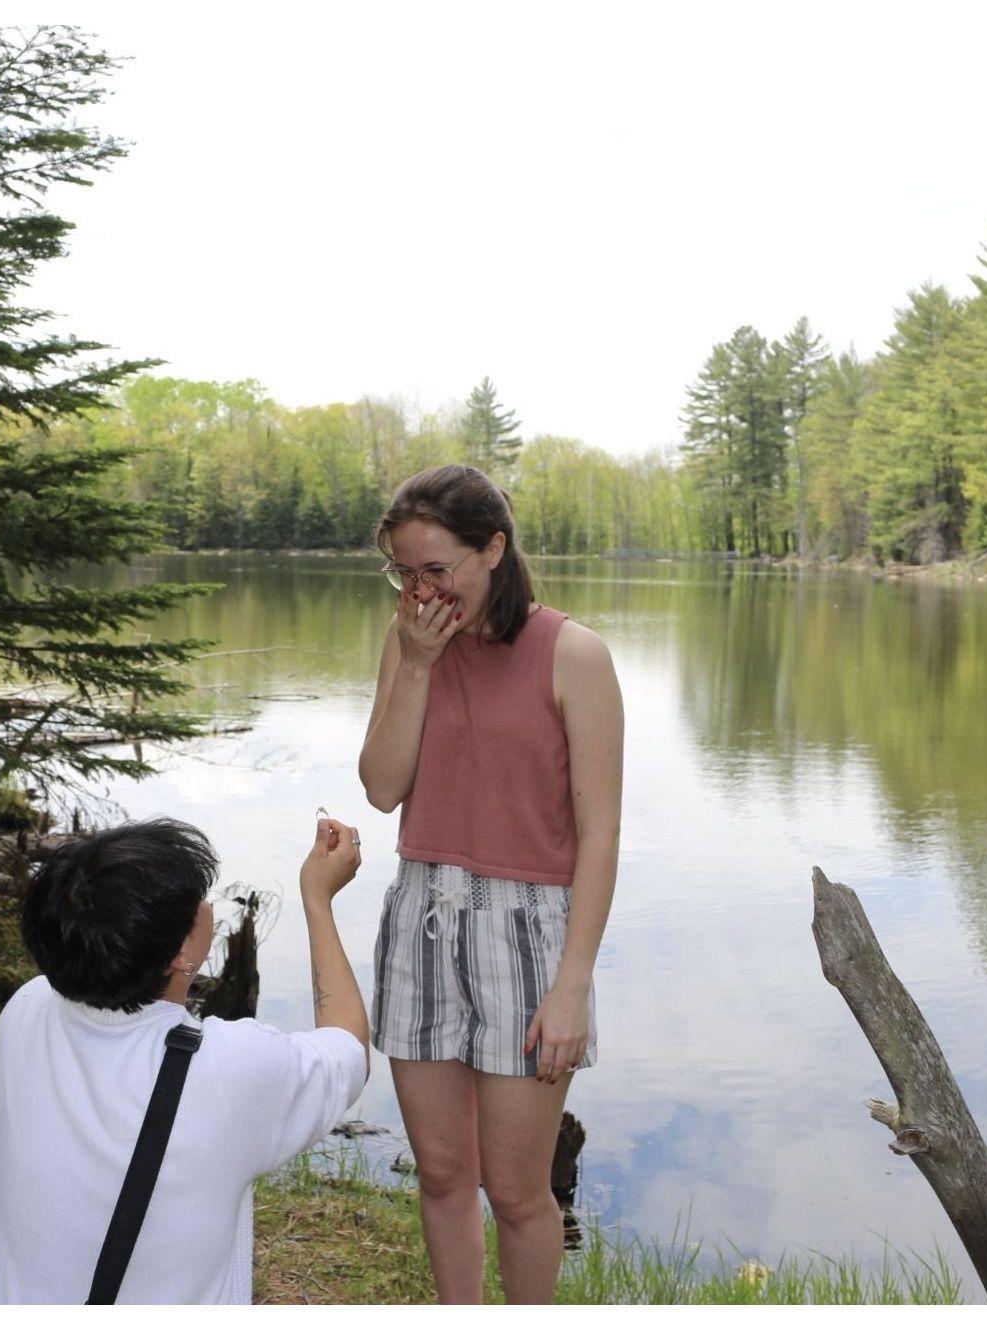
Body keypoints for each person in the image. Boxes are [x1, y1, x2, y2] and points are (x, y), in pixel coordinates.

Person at [359, 463, 623, 1304]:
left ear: (495, 549)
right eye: (405, 573)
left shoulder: (573, 654)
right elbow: (381, 787)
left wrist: (573, 985)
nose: (422, 589)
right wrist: (415, 665)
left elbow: (602, 833)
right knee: (442, 1175)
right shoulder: (409, 642)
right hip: (421, 921)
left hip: (529, 933)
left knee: (515, 1190)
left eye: (438, 569)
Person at [0, 815, 368, 1304]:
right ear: (182, 952)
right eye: (199, 899)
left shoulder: (25, 1011)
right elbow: (348, 1047)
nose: (207, 905)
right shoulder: (228, 1068)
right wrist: (318, 900)